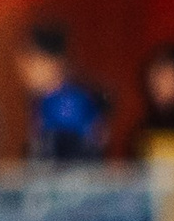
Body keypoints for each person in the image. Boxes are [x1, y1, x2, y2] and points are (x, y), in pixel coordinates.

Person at [17, 23, 109, 163]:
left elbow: (65, 163)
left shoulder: (68, 103)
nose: (24, 71)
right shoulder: (44, 100)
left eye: (32, 61)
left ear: (55, 62)